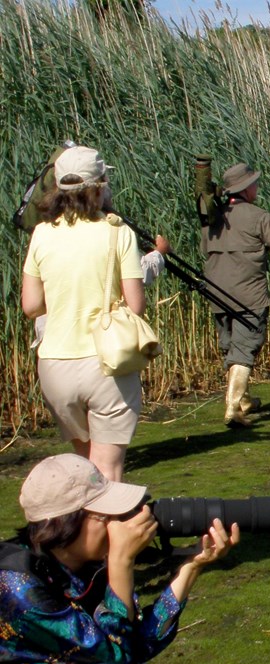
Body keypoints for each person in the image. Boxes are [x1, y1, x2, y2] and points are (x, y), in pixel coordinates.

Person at [0, 454, 237, 664]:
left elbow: (139, 645)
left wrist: (192, 567)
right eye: (107, 516)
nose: (120, 524)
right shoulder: (16, 586)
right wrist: (121, 562)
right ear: (67, 523)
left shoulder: (82, 566)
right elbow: (117, 650)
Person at [21, 146, 149, 482]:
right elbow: (136, 306)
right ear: (100, 184)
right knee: (109, 470)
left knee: (88, 470)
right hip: (105, 363)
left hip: (54, 367)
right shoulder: (117, 231)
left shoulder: (42, 233)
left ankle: (88, 534)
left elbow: (31, 306)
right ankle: (113, 535)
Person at [201, 162, 270, 427]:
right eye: (254, 183)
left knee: (231, 346)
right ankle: (233, 409)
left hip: (217, 294)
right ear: (245, 188)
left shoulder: (212, 219)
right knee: (245, 348)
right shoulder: (256, 216)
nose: (257, 187)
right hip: (249, 295)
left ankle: (243, 399)